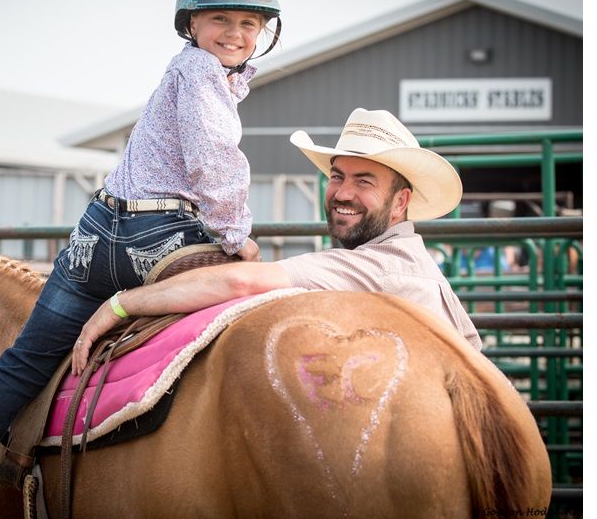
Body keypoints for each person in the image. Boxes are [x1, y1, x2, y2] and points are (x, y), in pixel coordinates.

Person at [0, 0, 281, 519]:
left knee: (22, 364)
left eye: (249, 22)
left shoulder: (181, 71)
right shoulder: (202, 74)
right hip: (159, 236)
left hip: (96, 233)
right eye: (221, 19)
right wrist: (237, 235)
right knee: (248, 302)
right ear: (192, 24)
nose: (235, 32)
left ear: (262, 32)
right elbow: (214, 163)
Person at [72, 107, 482, 375]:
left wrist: (120, 305)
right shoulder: (417, 265)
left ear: (401, 202)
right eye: (337, 175)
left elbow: (240, 283)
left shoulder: (375, 264)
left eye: (364, 181)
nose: (342, 193)